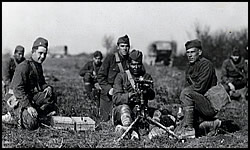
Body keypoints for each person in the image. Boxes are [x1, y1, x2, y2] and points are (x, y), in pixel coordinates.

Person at [112, 49, 176, 140]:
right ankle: (127, 130)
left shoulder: (146, 77)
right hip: (123, 111)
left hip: (141, 111)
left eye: (138, 64)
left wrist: (146, 91)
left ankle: (155, 131)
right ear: (128, 64)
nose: (136, 67)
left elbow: (152, 96)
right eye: (133, 64)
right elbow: (116, 98)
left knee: (156, 113)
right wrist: (130, 96)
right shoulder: (121, 76)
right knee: (124, 109)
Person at [2, 37, 57, 130]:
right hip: (15, 98)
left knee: (50, 95)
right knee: (32, 123)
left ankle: (33, 113)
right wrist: (28, 106)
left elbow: (41, 83)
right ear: (33, 52)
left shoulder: (38, 66)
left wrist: (47, 87)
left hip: (28, 96)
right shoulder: (24, 66)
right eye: (40, 53)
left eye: (45, 54)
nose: (43, 56)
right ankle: (12, 116)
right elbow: (18, 89)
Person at [175, 39, 223, 139]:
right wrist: (181, 110)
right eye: (188, 52)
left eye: (192, 52)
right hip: (198, 102)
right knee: (177, 131)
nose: (189, 55)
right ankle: (212, 124)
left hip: (210, 104)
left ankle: (189, 131)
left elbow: (200, 87)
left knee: (186, 93)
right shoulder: (190, 67)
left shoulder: (206, 65)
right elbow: (187, 87)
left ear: (199, 52)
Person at [97, 35, 131, 122]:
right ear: (118, 47)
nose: (125, 48)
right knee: (105, 120)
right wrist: (109, 89)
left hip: (123, 95)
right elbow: (100, 76)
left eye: (127, 46)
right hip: (109, 95)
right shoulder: (110, 58)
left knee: (126, 117)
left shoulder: (131, 60)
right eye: (122, 46)